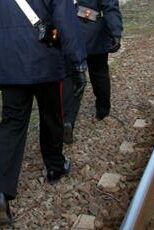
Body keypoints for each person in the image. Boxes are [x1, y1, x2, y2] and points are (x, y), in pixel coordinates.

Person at [0, 0, 87, 225]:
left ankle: (1, 191)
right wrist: (78, 62)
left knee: (12, 123)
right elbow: (66, 20)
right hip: (45, 58)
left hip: (9, 61)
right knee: (52, 115)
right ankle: (55, 167)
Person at [63, 0, 123, 144]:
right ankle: (102, 111)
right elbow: (110, 7)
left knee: (71, 78)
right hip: (94, 32)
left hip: (69, 32)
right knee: (99, 72)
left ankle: (68, 120)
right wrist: (116, 33)